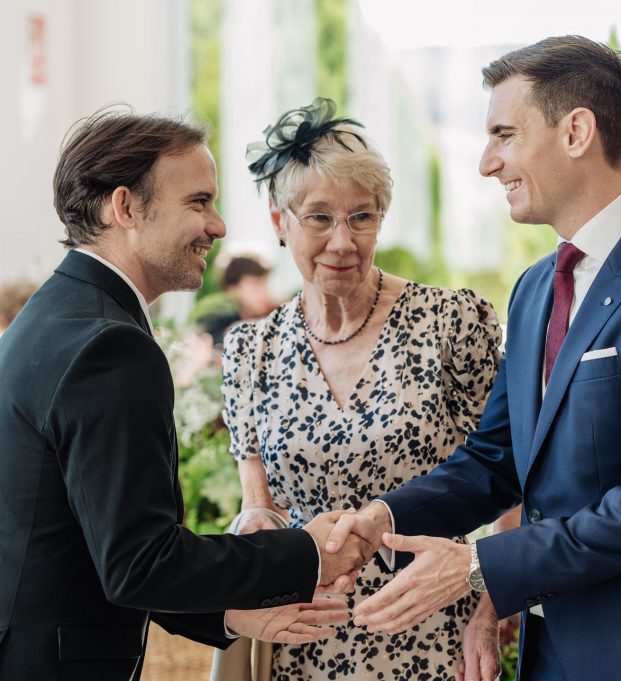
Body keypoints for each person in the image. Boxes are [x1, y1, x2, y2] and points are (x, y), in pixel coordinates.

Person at [325, 35, 621, 681]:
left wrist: (479, 565)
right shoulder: (534, 287)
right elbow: (495, 457)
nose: (486, 162)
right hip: (552, 654)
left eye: (504, 134)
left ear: (577, 131)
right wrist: (384, 516)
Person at [0, 108, 371, 681]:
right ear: (125, 207)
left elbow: (99, 542)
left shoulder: (51, 316)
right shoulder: (110, 346)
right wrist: (306, 551)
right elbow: (139, 562)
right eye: (198, 202)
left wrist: (228, 616)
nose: (218, 226)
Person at [222, 98, 506, 680]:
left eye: (362, 217)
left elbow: (514, 471)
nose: (343, 242)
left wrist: (492, 604)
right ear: (280, 223)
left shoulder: (451, 323)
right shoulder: (250, 352)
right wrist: (253, 535)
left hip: (434, 634)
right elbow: (261, 509)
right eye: (320, 218)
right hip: (303, 640)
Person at [200, 254, 278, 346]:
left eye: (265, 284)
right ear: (233, 291)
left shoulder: (278, 317)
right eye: (256, 286)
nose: (265, 293)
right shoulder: (219, 327)